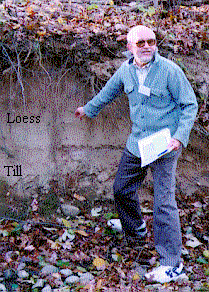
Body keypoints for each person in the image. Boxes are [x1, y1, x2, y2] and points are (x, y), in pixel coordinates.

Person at [75, 25, 198, 284]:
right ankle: (136, 228)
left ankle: (172, 264)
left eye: (151, 41)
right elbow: (107, 93)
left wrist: (179, 137)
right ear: (129, 47)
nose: (146, 46)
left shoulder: (169, 71)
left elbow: (190, 104)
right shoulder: (126, 70)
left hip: (165, 145)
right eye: (140, 42)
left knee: (163, 203)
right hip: (138, 143)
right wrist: (88, 109)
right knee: (121, 189)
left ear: (156, 44)